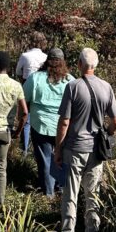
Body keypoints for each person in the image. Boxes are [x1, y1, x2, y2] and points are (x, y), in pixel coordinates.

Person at [54, 48, 116, 232]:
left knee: (70, 194)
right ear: (96, 65)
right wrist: (105, 133)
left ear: (80, 65)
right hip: (96, 150)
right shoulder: (106, 87)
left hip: (74, 148)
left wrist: (58, 148)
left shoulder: (72, 87)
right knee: (93, 195)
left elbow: (64, 122)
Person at [23, 47, 73, 197]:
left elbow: (24, 99)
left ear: (47, 61)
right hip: (63, 127)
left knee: (45, 160)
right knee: (62, 158)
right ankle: (61, 188)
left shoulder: (35, 78)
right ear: (63, 62)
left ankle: (48, 193)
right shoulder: (70, 80)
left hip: (41, 125)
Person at [0, 51, 28, 211]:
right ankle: (0, 204)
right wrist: (17, 131)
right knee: (1, 168)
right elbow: (24, 113)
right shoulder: (16, 85)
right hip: (6, 131)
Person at [15, 32, 48, 155]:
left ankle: (24, 149)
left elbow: (18, 71)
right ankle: (37, 149)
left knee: (26, 117)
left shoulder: (25, 56)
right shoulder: (45, 57)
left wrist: (23, 82)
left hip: (26, 87)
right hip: (42, 90)